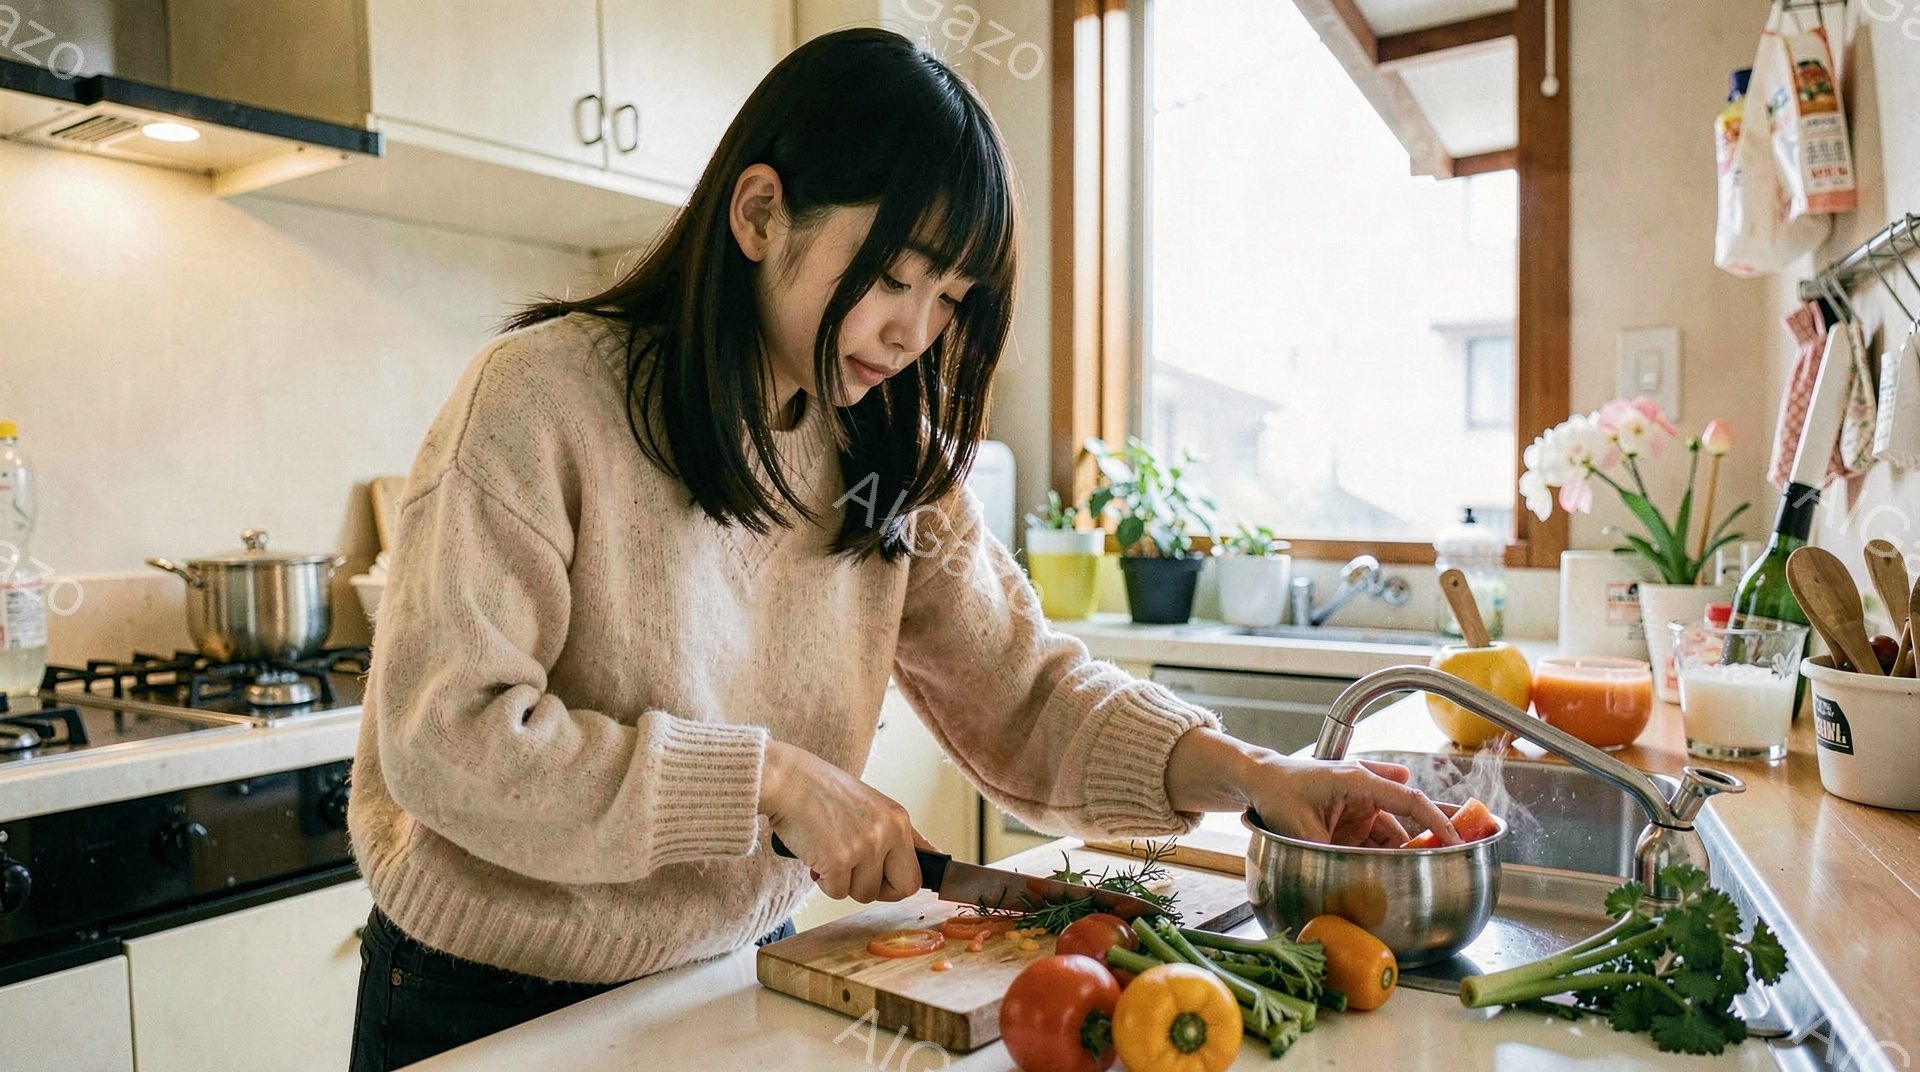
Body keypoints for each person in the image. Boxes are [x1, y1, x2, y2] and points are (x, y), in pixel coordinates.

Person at [344, 27, 1456, 1072]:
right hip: (490, 999)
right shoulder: (541, 398)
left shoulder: (888, 452)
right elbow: (450, 742)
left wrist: (1259, 777)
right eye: (892, 278)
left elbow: (1025, 696)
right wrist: (768, 778)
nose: (914, 333)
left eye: (949, 299)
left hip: (738, 974)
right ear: (760, 213)